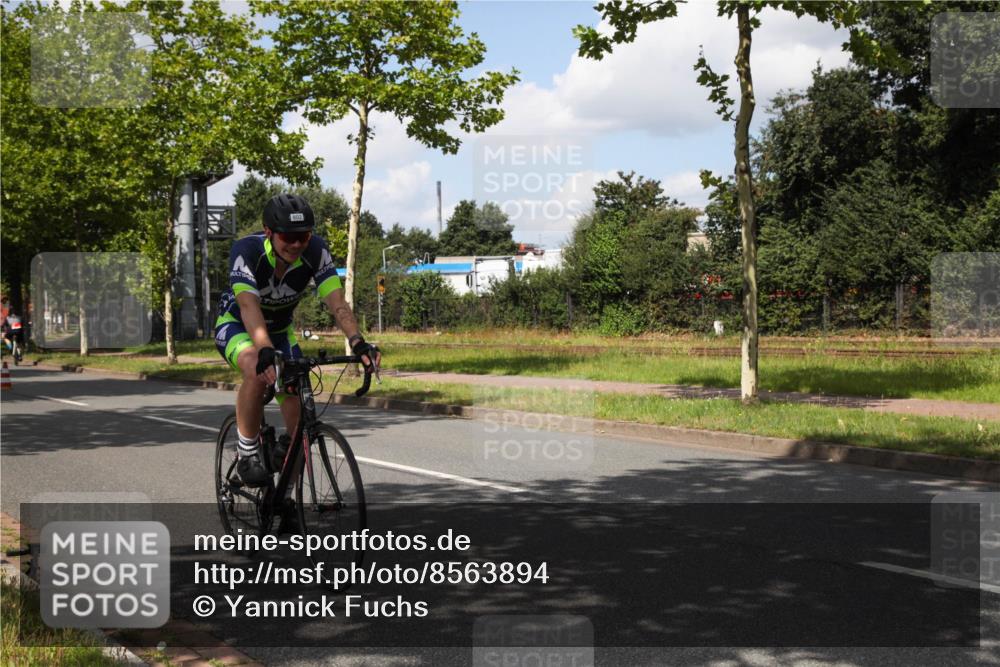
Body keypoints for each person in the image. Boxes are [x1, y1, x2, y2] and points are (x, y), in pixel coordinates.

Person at [214, 193, 380, 487]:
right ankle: (247, 453)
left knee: (301, 427)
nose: (296, 244)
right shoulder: (246, 251)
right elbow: (249, 306)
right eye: (287, 237)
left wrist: (357, 341)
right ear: (269, 232)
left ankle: (287, 499)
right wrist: (264, 349)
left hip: (280, 332)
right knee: (256, 367)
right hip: (238, 325)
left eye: (302, 236)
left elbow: (337, 302)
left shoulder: (316, 251)